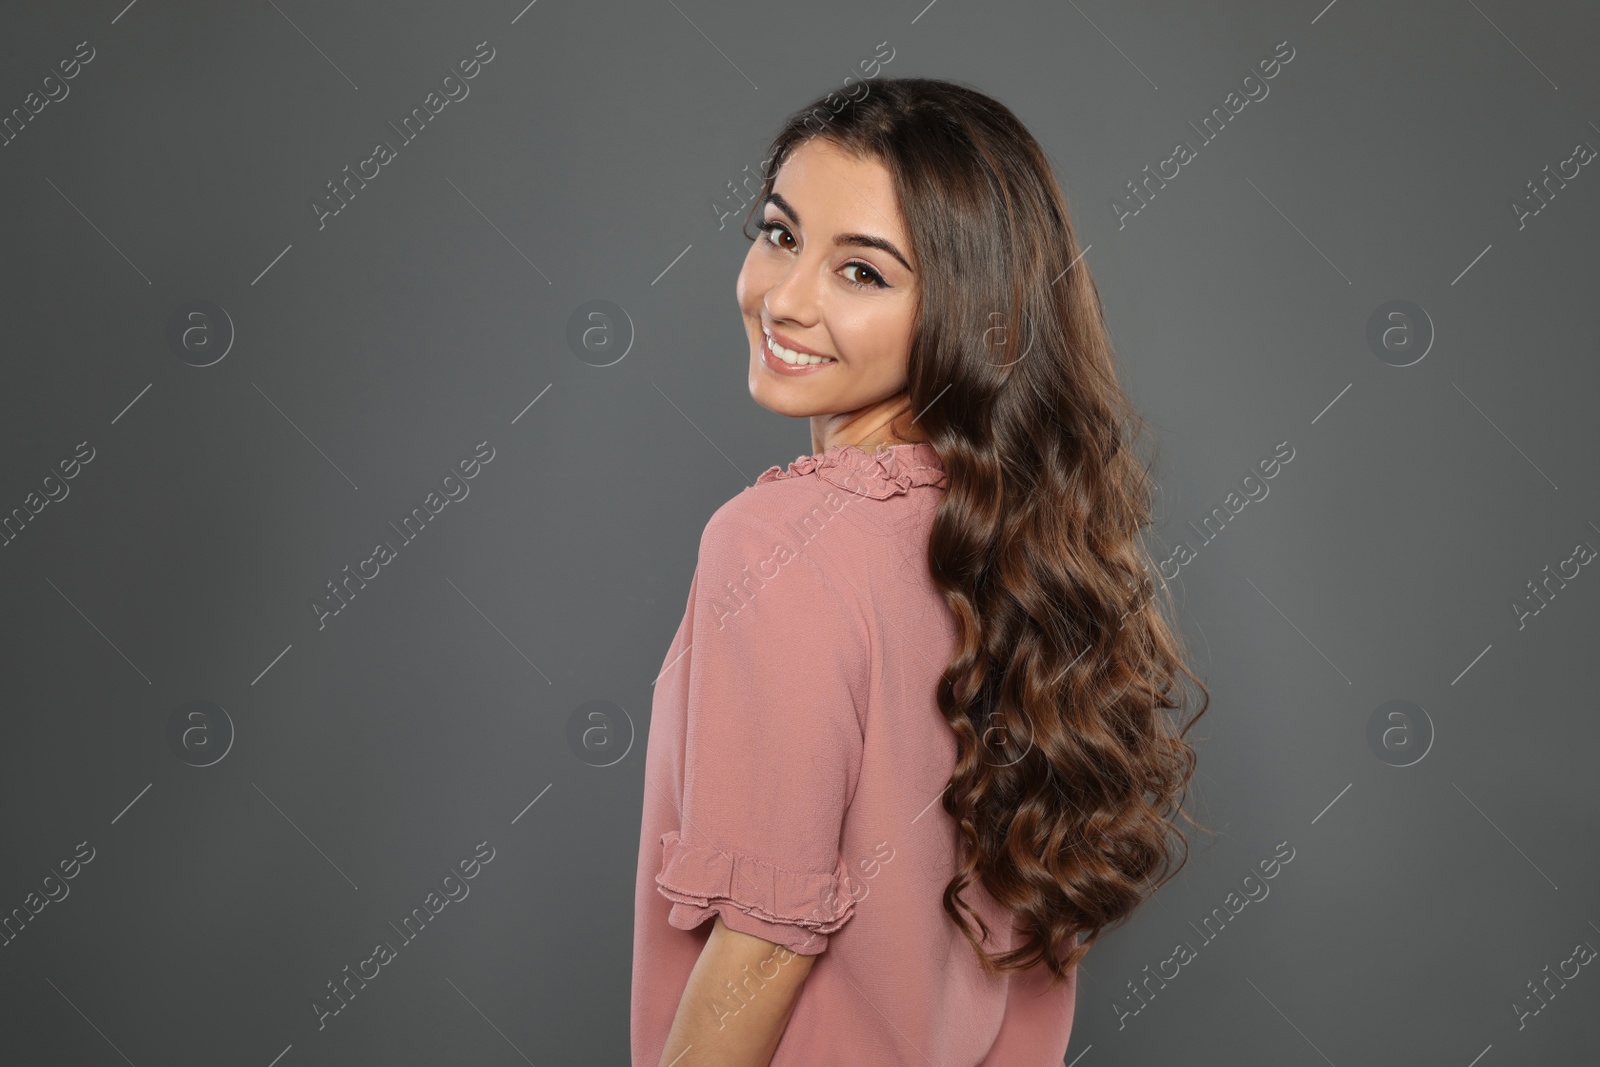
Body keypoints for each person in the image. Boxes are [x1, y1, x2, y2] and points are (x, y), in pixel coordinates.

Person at [632, 76, 1209, 1067]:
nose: (786, 297)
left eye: (861, 272)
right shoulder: (1025, 545)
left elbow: (763, 944)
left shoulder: (772, 543)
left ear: (963, 309)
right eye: (778, 234)